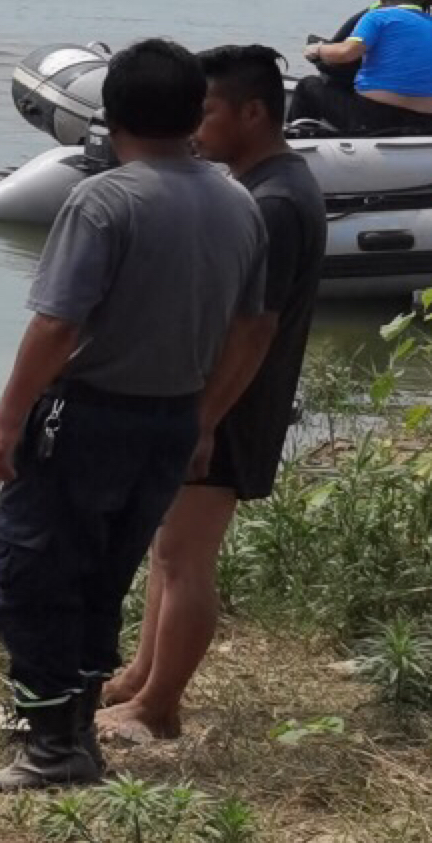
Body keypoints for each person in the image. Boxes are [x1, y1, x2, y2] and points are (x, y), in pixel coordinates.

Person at [0, 36, 268, 790]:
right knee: (105, 576)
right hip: (170, 422)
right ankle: (76, 736)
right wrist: (204, 417)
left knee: (36, 572)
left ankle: (52, 744)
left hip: (89, 417)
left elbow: (57, 325)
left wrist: (7, 418)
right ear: (192, 115)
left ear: (111, 115)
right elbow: (253, 327)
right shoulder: (238, 200)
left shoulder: (104, 200)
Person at [103, 43, 326, 741]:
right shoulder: (263, 188)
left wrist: (204, 420)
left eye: (207, 111)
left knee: (185, 555)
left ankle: (159, 706)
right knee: (166, 548)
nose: (194, 127)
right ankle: (139, 676)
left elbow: (255, 329)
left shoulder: (277, 202)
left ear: (253, 112)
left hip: (233, 405)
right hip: (217, 400)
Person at [294, 0, 432, 137]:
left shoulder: (378, 17)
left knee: (308, 86)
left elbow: (346, 53)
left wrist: (317, 49)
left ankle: (298, 142)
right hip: (424, 121)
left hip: (374, 118)